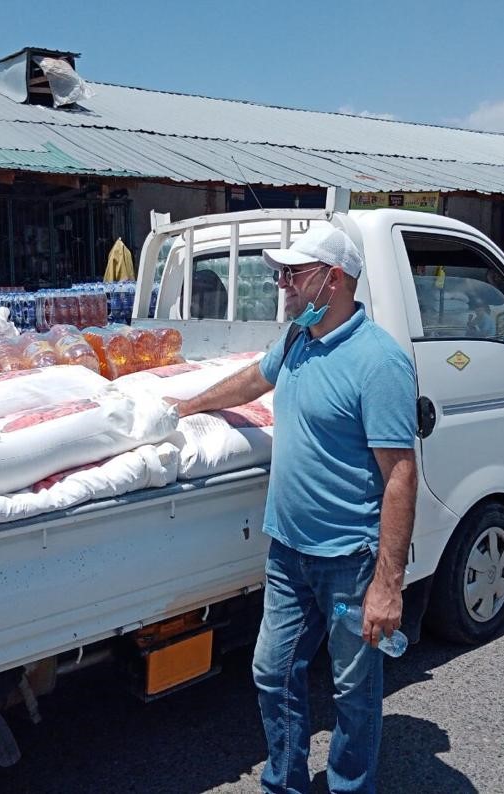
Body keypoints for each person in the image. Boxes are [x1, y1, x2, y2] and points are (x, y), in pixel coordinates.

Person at [168, 225, 417, 793]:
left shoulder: (379, 364)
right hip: (288, 552)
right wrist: (188, 405)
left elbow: (401, 477)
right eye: (279, 274)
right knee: (272, 671)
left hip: (350, 560)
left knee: (355, 694)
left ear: (334, 280)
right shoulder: (298, 340)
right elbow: (254, 378)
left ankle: (351, 787)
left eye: (292, 274)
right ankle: (284, 783)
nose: (281, 285)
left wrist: (388, 585)